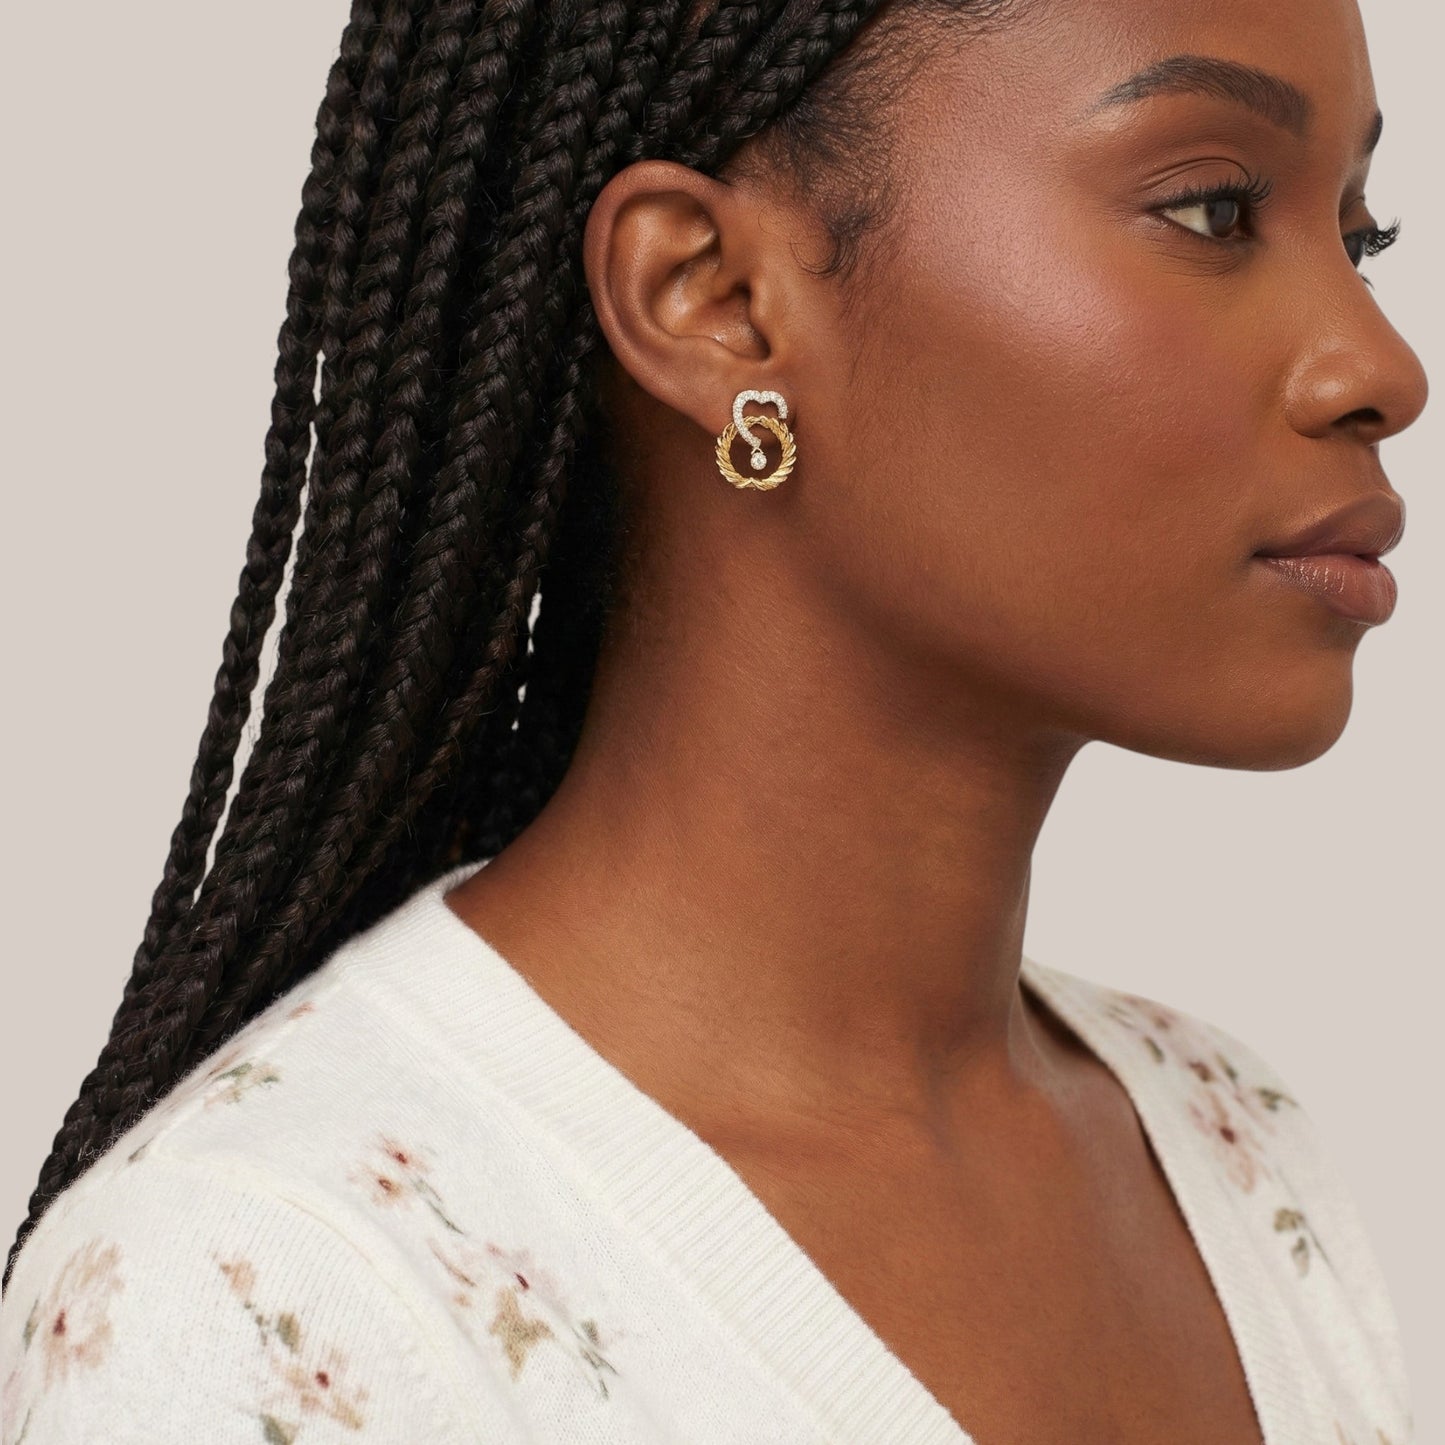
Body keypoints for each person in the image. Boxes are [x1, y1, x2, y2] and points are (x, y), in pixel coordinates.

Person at [0, 0, 1427, 1440]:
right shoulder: (269, 1294)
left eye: (1357, 237)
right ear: (713, 299)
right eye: (1212, 209)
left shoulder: (1232, 1145)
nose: (1381, 369)